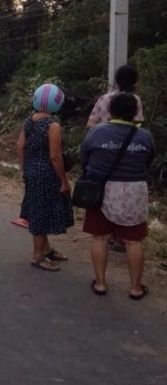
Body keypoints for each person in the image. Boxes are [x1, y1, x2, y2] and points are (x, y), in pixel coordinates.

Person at [81, 93, 155, 299]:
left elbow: (85, 159)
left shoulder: (95, 132)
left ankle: (101, 284)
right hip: (134, 192)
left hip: (101, 190)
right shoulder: (145, 137)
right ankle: (136, 288)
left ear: (110, 111)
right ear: (134, 114)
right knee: (133, 241)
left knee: (100, 237)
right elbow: (148, 162)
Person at [87, 64, 144, 253]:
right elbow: (137, 128)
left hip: (104, 154)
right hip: (128, 155)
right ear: (135, 82)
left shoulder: (105, 98)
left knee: (104, 194)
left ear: (116, 81)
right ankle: (121, 237)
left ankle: (106, 234)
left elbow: (91, 123)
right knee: (124, 194)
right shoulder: (135, 100)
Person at [17, 84, 74, 272]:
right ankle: (37, 256)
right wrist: (64, 181)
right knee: (41, 215)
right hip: (47, 176)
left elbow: (20, 146)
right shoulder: (53, 125)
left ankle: (46, 249)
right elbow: (55, 156)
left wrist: (23, 170)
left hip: (32, 173)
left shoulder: (29, 121)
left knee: (37, 211)